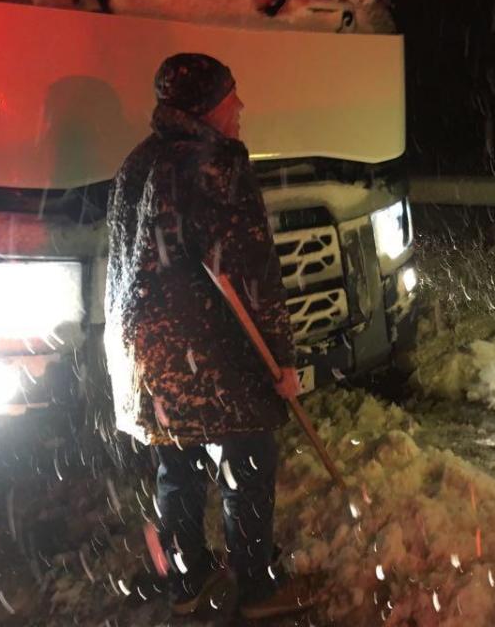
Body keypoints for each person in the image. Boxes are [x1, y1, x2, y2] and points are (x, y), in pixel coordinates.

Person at [104, 53, 307, 619]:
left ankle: (188, 580)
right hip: (209, 356)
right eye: (230, 96)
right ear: (203, 107)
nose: (239, 107)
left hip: (148, 358)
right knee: (247, 454)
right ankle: (257, 587)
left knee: (179, 462)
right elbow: (248, 272)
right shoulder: (215, 163)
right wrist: (282, 361)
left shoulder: (136, 163)